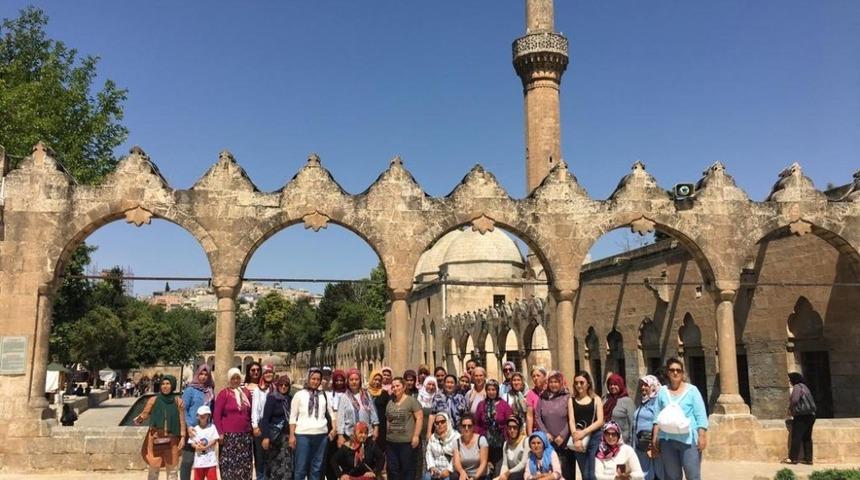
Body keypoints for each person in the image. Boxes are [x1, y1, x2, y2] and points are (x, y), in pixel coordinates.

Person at [650, 358, 708, 480]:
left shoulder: (692, 391)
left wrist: (702, 436)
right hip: (667, 440)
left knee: (693, 475)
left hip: (688, 440)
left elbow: (700, 415)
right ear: (668, 372)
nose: (675, 373)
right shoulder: (662, 392)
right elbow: (657, 417)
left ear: (682, 373)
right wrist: (655, 437)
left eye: (678, 370)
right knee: (672, 476)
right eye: (672, 370)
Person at [134, 375, 187, 480]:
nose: (165, 386)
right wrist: (139, 419)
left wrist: (183, 436)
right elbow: (145, 414)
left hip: (172, 438)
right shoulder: (153, 400)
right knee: (154, 467)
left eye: (168, 384)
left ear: (172, 386)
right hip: (155, 437)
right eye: (163, 384)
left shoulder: (178, 402)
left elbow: (182, 420)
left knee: (172, 468)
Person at [291, 368, 336, 480]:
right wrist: (292, 435)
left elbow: (331, 413)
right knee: (301, 469)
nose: (315, 382)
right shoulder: (299, 395)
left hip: (321, 436)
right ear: (308, 379)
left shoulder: (323, 395)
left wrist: (334, 429)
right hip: (303, 435)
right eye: (313, 379)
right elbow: (292, 417)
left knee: (316, 469)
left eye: (318, 379)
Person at [214, 368, 253, 480]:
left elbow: (250, 413)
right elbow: (217, 415)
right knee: (229, 466)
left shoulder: (245, 394)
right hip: (229, 437)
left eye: (238, 378)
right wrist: (220, 433)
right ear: (229, 379)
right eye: (233, 378)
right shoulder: (224, 394)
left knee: (244, 466)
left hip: (244, 436)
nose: (235, 380)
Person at [535, 371, 574, 480]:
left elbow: (570, 418)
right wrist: (545, 433)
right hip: (548, 443)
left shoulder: (567, 397)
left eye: (556, 382)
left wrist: (562, 435)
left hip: (564, 442)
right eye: (551, 382)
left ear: (561, 382)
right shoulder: (543, 397)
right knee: (550, 472)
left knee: (566, 472)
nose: (553, 384)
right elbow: (537, 417)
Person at [180, 365, 215, 480]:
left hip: (205, 430)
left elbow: (212, 409)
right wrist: (188, 426)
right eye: (201, 374)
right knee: (188, 460)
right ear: (197, 374)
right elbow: (183, 409)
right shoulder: (190, 390)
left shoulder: (210, 390)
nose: (203, 377)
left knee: (204, 460)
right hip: (192, 430)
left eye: (206, 375)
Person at [386, 377, 424, 480]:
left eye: (397, 386)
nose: (395, 388)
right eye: (393, 386)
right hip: (391, 443)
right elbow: (388, 420)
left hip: (406, 443)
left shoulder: (411, 401)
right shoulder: (390, 402)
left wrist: (416, 436)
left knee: (407, 470)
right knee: (393, 470)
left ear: (404, 387)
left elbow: (419, 418)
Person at [569, 371, 604, 480]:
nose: (579, 385)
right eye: (576, 383)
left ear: (588, 383)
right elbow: (571, 420)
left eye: (581, 382)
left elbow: (600, 421)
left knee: (593, 473)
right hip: (578, 439)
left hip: (595, 438)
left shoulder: (596, 399)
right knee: (585, 473)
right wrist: (576, 438)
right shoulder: (571, 400)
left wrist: (583, 432)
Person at [476, 379, 514, 475]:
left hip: (500, 442)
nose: (491, 392)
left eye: (493, 389)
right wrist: (479, 439)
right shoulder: (481, 405)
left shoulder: (504, 405)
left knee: (499, 469)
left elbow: (509, 422)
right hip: (485, 442)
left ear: (497, 391)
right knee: (486, 470)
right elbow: (477, 423)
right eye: (489, 389)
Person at [261, 375, 293, 480]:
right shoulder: (272, 398)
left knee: (286, 466)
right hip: (274, 437)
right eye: (281, 385)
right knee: (273, 465)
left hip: (286, 437)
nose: (283, 387)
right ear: (277, 385)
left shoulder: (289, 399)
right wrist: (265, 436)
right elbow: (265, 419)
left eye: (286, 385)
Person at [632, 375, 662, 480]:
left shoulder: (657, 403)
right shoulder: (644, 402)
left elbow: (659, 423)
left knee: (655, 472)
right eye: (642, 385)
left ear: (653, 386)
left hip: (651, 446)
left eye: (646, 385)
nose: (643, 388)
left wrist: (653, 444)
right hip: (641, 446)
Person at [337, 369, 380, 443]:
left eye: (356, 379)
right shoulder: (344, 397)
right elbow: (340, 418)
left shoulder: (366, 395)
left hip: (366, 434)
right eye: (351, 380)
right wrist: (340, 436)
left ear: (360, 381)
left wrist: (376, 429)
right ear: (348, 381)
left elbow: (373, 413)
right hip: (351, 436)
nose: (354, 382)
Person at [784, 372, 816, 465]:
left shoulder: (797, 387)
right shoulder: (805, 387)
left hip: (801, 416)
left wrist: (790, 408)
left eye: (790, 379)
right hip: (811, 415)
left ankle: (792, 458)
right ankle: (808, 459)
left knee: (796, 436)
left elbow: (795, 400)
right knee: (807, 437)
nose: (790, 381)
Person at [251, 365, 276, 480]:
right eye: (266, 372)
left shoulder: (277, 388)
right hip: (261, 424)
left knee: (272, 454)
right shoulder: (258, 389)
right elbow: (255, 409)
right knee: (260, 455)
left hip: (274, 424)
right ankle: (260, 477)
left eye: (270, 372)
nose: (268, 375)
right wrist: (255, 426)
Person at [453, 413, 490, 480]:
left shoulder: (481, 440)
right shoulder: (457, 442)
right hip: (465, 475)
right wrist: (462, 472)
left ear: (473, 427)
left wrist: (475, 477)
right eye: (464, 426)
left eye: (469, 426)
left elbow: (483, 463)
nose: (466, 428)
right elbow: (456, 463)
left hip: (480, 475)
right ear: (460, 427)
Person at [431, 374, 469, 438]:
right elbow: (432, 415)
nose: (449, 385)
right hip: (442, 433)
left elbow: (465, 416)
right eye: (447, 382)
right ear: (444, 384)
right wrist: (429, 432)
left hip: (458, 433)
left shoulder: (461, 398)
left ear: (456, 385)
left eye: (452, 383)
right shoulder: (437, 397)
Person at [425, 412, 460, 480]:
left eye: (442, 421)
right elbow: (429, 453)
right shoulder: (433, 438)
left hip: (451, 471)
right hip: (436, 470)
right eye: (437, 423)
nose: (440, 424)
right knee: (426, 477)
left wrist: (448, 470)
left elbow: (457, 456)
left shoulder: (456, 436)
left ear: (448, 422)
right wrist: (432, 467)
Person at [188, 405, 220, 480]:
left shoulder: (212, 427)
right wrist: (196, 446)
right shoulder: (195, 429)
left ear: (208, 416)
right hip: (199, 462)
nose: (202, 416)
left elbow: (215, 439)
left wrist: (206, 446)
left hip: (211, 462)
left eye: (204, 415)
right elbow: (191, 442)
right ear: (197, 416)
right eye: (200, 415)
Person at [493, 415, 528, 480]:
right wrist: (502, 476)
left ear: (520, 428)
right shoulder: (506, 444)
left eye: (515, 427)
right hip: (511, 476)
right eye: (509, 427)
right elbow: (505, 464)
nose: (512, 430)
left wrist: (508, 472)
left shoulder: (526, 441)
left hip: (524, 476)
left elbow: (523, 464)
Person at [603, 374, 636, 442]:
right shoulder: (605, 399)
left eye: (615, 384)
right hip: (606, 439)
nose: (612, 387)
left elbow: (632, 423)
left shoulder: (627, 401)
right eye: (610, 384)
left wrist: (630, 441)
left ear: (620, 385)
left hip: (622, 440)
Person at [368, 369, 390, 450]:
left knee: (380, 450)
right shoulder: (365, 393)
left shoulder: (384, 394)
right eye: (375, 379)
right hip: (368, 425)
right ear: (371, 379)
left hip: (381, 426)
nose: (377, 382)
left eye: (379, 380)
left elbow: (388, 411)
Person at [526, 367, 547, 435]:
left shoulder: (550, 391)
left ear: (544, 377)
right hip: (538, 431)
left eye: (538, 375)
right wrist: (530, 434)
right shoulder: (530, 394)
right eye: (533, 376)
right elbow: (530, 416)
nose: (536, 378)